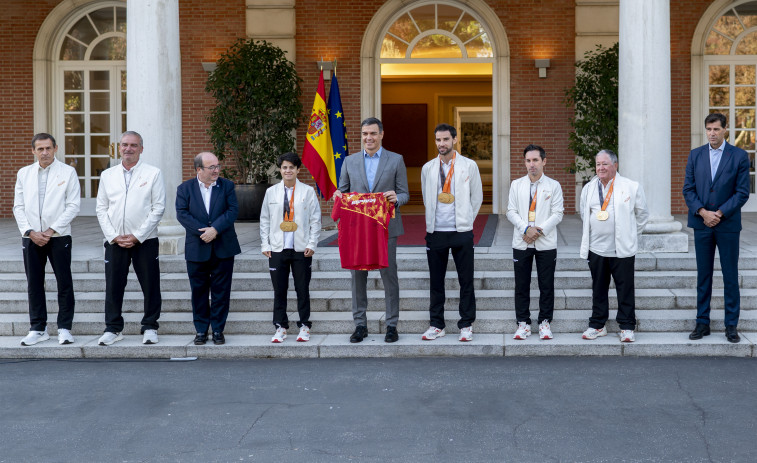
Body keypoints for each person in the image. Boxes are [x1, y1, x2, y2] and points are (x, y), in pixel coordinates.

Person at [332, 117, 409, 343]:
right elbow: (343, 192)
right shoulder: (349, 161)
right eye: (365, 134)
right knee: (358, 276)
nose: (369, 138)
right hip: (358, 230)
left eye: (373, 133)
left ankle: (392, 325)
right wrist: (338, 196)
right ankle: (360, 325)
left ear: (381, 134)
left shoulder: (396, 160)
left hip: (386, 228)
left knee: (389, 276)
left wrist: (397, 198)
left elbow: (405, 193)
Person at [683, 113, 750, 343]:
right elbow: (688, 190)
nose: (712, 133)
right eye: (709, 129)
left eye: (716, 129)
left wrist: (719, 214)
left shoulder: (739, 156)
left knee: (730, 276)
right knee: (704, 275)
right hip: (702, 224)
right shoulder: (695, 155)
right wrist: (703, 212)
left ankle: (731, 325)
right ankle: (702, 323)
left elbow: (742, 192)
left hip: (727, 224)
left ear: (725, 130)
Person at [95, 131, 165, 346]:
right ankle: (113, 328)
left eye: (133, 145)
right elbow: (101, 208)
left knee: (150, 285)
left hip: (145, 240)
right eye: (125, 144)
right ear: (119, 148)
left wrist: (137, 236)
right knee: (113, 286)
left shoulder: (153, 173)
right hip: (115, 241)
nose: (128, 148)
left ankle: (150, 326)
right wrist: (114, 236)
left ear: (141, 149)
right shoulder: (108, 175)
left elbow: (158, 208)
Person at [13, 133, 80, 346]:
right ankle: (38, 328)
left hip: (59, 236)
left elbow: (73, 205)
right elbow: (18, 206)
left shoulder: (68, 172)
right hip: (31, 237)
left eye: (48, 148)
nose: (45, 153)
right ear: (33, 151)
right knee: (34, 283)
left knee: (64, 283)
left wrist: (51, 230)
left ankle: (64, 328)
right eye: (40, 149)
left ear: (55, 148)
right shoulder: (24, 173)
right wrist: (30, 231)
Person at [419, 123, 482, 342]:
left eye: (446, 139)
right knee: (436, 281)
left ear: (454, 140)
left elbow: (477, 197)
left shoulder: (469, 165)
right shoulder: (428, 168)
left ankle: (466, 324)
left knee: (466, 280)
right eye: (438, 140)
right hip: (436, 232)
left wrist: (466, 222)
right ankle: (437, 324)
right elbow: (428, 199)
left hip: (461, 232)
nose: (441, 143)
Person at [579, 149, 648, 343]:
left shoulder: (631, 186)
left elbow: (642, 215)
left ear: (615, 166)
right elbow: (585, 214)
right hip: (596, 249)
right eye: (598, 164)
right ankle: (598, 325)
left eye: (605, 164)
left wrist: (631, 235)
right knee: (598, 289)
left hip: (622, 249)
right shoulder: (589, 188)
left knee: (625, 288)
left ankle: (626, 327)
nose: (600, 168)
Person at [176, 152, 241, 346]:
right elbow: (182, 214)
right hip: (197, 248)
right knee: (199, 292)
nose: (216, 170)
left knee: (222, 292)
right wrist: (203, 232)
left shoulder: (227, 186)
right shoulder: (185, 188)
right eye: (211, 167)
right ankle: (201, 330)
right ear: (199, 169)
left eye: (217, 166)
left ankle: (219, 329)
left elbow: (232, 211)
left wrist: (215, 229)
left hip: (223, 247)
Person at [260, 152, 321, 343]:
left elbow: (315, 220)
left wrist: (312, 244)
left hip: (301, 248)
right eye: (284, 167)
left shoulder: (307, 192)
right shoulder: (271, 192)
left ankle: (304, 325)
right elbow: (265, 220)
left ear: (297, 170)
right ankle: (280, 326)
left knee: (302, 288)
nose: (288, 171)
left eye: (291, 168)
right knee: (279, 289)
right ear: (280, 170)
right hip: (277, 248)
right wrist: (265, 244)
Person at [506, 144, 564, 340]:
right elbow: (510, 211)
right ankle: (523, 323)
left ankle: (545, 322)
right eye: (528, 161)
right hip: (522, 242)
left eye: (535, 160)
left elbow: (558, 214)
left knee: (546, 284)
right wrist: (525, 229)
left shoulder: (553, 185)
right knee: (521, 284)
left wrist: (537, 231)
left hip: (545, 243)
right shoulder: (516, 184)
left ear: (544, 161)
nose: (532, 164)